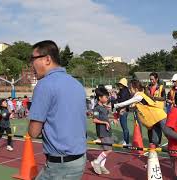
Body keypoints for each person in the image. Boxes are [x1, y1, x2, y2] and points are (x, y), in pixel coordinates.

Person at [27, 40, 87, 180]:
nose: (32, 65)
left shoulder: (44, 85)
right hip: (79, 159)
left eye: (33, 59)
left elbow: (33, 132)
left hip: (60, 165)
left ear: (47, 59)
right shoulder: (76, 83)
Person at [114, 80, 168, 148]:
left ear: (136, 89)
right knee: (155, 141)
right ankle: (153, 156)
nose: (129, 91)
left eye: (130, 89)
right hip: (154, 119)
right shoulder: (137, 97)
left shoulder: (139, 96)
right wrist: (124, 110)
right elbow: (132, 106)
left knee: (168, 133)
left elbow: (127, 102)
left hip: (160, 116)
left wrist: (114, 105)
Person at [91, 87, 116, 175]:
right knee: (108, 150)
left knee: (106, 149)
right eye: (105, 97)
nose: (107, 98)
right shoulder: (96, 108)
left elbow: (106, 117)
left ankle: (102, 165)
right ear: (99, 98)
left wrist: (112, 119)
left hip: (107, 131)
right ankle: (96, 162)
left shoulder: (104, 107)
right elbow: (94, 120)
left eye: (107, 97)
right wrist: (105, 122)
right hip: (102, 131)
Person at [146, 72, 167, 147]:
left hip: (158, 110)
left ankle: (158, 143)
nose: (151, 81)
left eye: (152, 79)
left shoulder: (161, 87)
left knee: (159, 127)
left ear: (156, 79)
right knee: (150, 127)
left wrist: (154, 98)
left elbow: (164, 98)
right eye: (150, 79)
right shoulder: (148, 87)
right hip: (150, 110)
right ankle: (151, 142)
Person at [116, 78, 131, 145]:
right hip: (122, 110)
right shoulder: (123, 91)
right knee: (123, 126)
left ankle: (126, 141)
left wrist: (123, 109)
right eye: (119, 84)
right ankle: (125, 140)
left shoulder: (124, 91)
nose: (119, 85)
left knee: (124, 126)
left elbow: (125, 102)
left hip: (123, 110)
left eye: (121, 84)